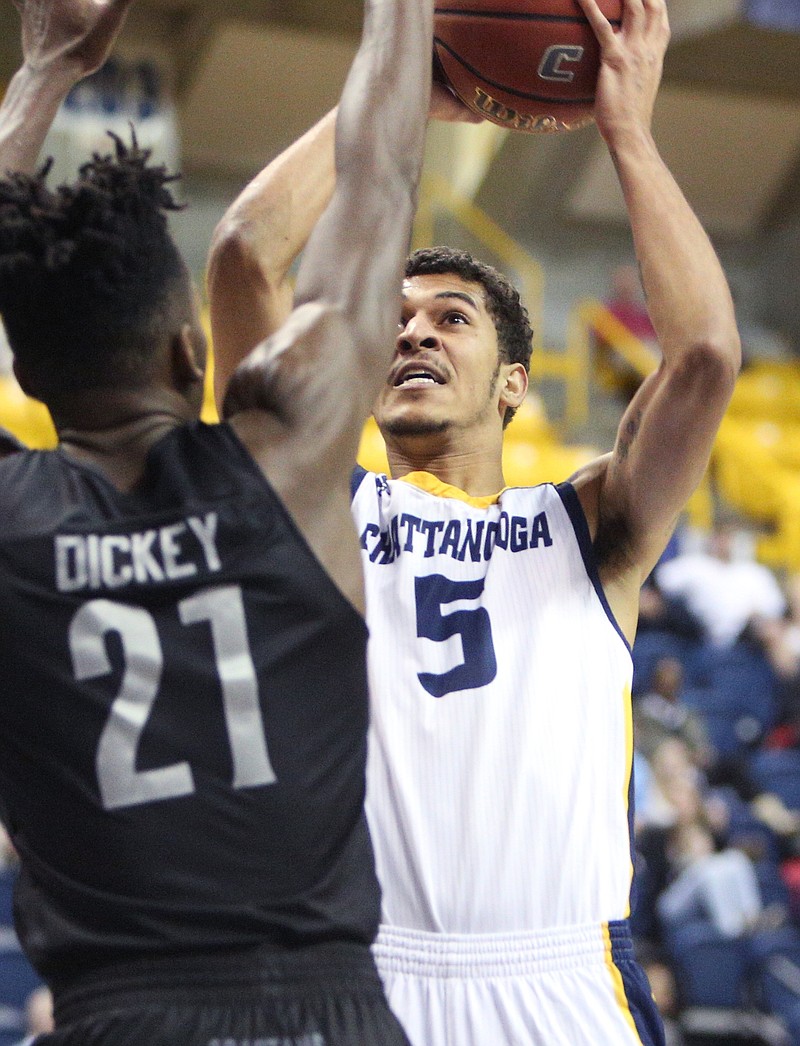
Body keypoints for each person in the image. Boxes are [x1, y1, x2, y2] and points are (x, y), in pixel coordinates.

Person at [207, 0, 741, 1042]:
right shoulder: (317, 498)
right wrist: (393, 101)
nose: (413, 334)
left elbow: (704, 359)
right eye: (394, 322)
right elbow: (241, 258)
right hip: (360, 975)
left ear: (511, 382)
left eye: (448, 318)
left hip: (560, 974)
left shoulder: (591, 524)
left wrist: (626, 130)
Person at [0, 0, 435, 1041]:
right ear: (195, 355)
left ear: (24, 376)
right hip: (325, 1010)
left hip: (118, 1013)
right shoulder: (287, 453)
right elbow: (377, 184)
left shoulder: (12, 529)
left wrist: (43, 74)